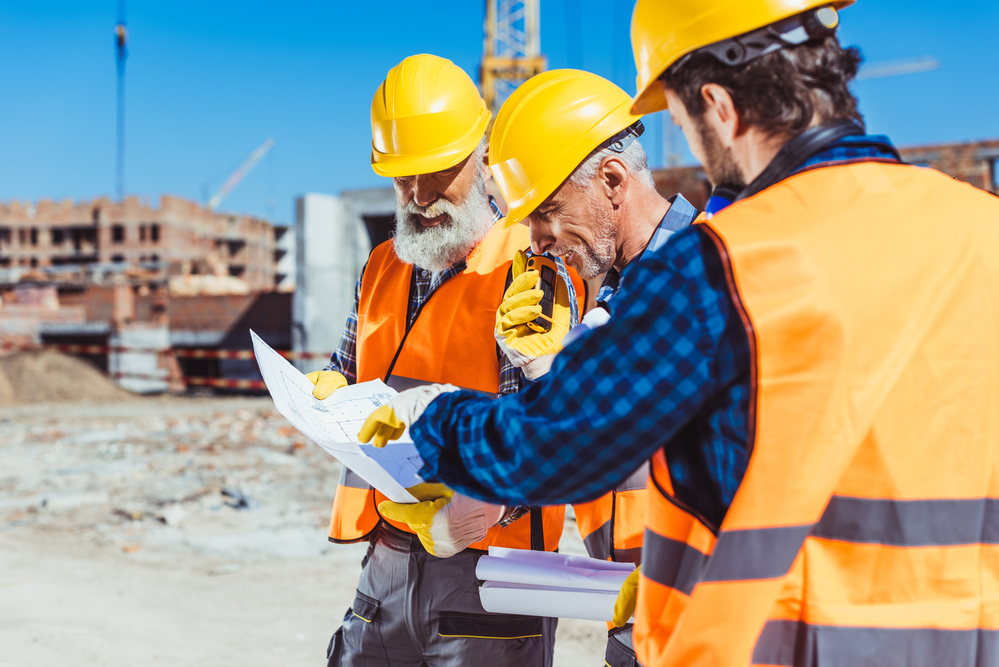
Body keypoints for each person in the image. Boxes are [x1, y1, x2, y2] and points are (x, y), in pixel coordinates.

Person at [359, 3, 999, 666]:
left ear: (718, 107)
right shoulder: (981, 228)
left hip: (789, 642)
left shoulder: (723, 264)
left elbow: (550, 445)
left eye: (684, 122)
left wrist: (429, 418)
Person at [310, 53, 580, 667]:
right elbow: (352, 368)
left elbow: (552, 423)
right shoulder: (383, 263)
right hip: (386, 560)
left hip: (491, 572)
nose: (420, 195)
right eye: (404, 178)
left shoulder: (530, 264)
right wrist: (326, 391)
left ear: (482, 155)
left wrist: (480, 508)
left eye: (438, 173)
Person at [486, 68, 698, 667]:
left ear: (612, 180)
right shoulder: (605, 300)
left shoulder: (707, 276)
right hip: (631, 625)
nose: (537, 239)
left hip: (704, 622)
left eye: (548, 212)